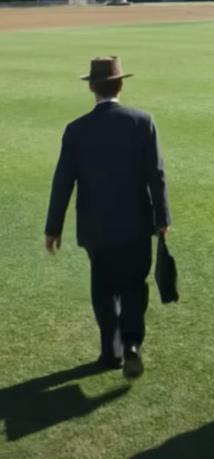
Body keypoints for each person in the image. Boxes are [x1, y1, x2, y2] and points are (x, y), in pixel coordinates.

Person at [45, 56, 171, 379]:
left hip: (96, 227)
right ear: (121, 84)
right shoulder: (142, 122)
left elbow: (63, 181)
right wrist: (162, 218)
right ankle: (131, 344)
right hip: (136, 224)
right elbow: (156, 175)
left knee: (103, 289)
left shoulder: (76, 130)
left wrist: (53, 228)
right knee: (133, 287)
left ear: (91, 87)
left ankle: (110, 350)